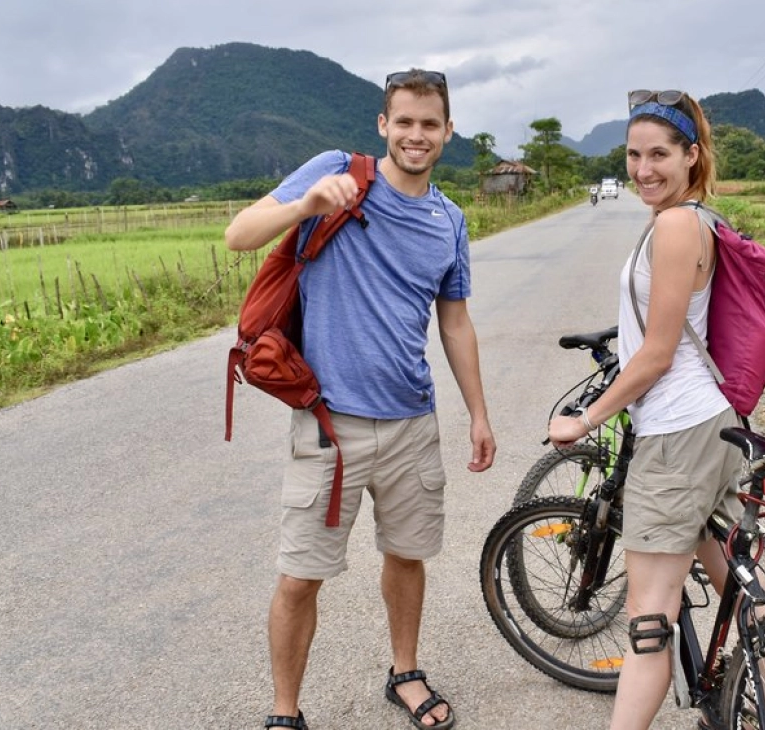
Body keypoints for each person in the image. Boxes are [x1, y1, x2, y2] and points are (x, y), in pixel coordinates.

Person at [225, 68, 496, 730]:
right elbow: (240, 233)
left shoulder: (449, 220)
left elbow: (454, 321)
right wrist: (305, 206)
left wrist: (480, 415)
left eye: (430, 124)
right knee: (300, 576)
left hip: (411, 422)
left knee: (407, 556)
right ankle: (285, 712)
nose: (416, 134)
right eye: (403, 121)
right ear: (383, 126)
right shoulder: (336, 174)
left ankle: (405, 672)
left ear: (448, 132)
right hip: (329, 424)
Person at [547, 89, 744, 730]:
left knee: (647, 621)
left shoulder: (676, 224)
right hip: (711, 425)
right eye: (633, 155)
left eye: (659, 153)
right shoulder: (693, 220)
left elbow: (658, 355)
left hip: (677, 435)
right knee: (737, 591)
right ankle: (762, 702)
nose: (643, 168)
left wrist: (587, 418)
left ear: (692, 155)